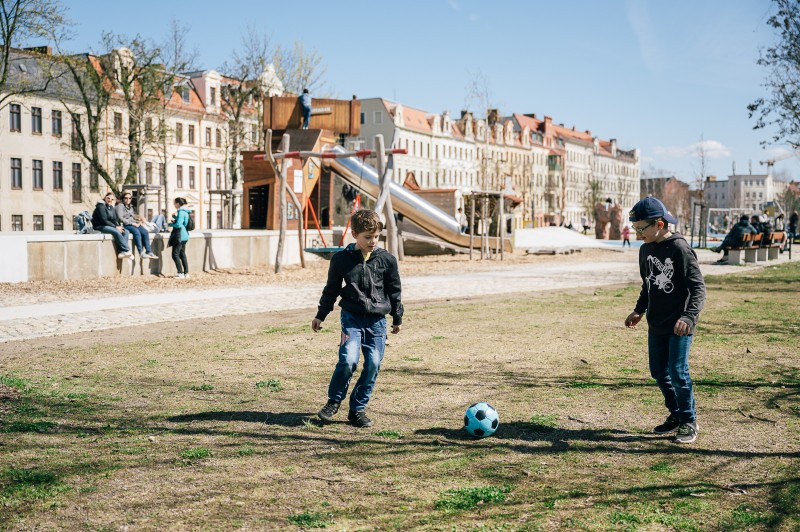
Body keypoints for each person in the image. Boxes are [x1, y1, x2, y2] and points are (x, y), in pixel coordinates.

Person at [624, 197, 705, 444]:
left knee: (678, 373)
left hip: (680, 325)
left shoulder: (680, 248)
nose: (637, 234)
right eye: (634, 228)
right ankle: (676, 413)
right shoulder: (645, 249)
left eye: (641, 228)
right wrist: (639, 310)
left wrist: (689, 316)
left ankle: (689, 421)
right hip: (656, 323)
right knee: (659, 372)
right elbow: (647, 284)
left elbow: (698, 288)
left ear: (659, 224)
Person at [312, 209, 403, 428]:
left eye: (376, 236)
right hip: (351, 318)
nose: (373, 241)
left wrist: (397, 317)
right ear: (354, 234)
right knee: (348, 360)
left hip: (377, 321)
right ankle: (333, 402)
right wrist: (321, 314)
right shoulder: (341, 260)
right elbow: (331, 289)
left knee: (373, 363)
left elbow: (394, 290)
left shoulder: (387, 260)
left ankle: (357, 410)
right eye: (368, 237)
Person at [115, 192, 158, 260]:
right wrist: (132, 223)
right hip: (125, 225)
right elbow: (120, 218)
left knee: (145, 232)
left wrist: (139, 221)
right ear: (122, 199)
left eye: (129, 198)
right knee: (136, 231)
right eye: (126, 198)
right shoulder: (120, 206)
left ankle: (149, 251)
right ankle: (141, 252)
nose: (128, 200)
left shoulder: (130, 207)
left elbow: (132, 217)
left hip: (133, 224)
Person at [92, 192, 133, 260]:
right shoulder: (101, 206)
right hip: (100, 226)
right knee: (116, 231)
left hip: (109, 226)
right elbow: (104, 220)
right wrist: (115, 227)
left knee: (125, 231)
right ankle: (127, 250)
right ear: (105, 198)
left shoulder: (111, 207)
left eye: (112, 199)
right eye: (108, 198)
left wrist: (118, 226)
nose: (110, 200)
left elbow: (114, 219)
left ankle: (122, 252)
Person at [168, 198, 191, 279]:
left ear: (178, 203)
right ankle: (186, 273)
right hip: (185, 235)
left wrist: (170, 224)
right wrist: (175, 217)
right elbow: (185, 223)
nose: (174, 205)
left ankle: (180, 273)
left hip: (180, 236)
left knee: (175, 254)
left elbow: (178, 225)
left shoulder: (181, 212)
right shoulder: (186, 211)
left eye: (174, 203)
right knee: (182, 254)